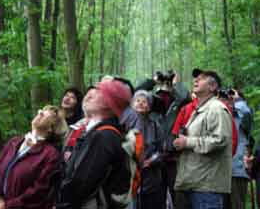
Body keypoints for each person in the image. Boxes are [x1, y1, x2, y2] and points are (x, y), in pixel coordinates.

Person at [56, 79, 133, 209]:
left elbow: (80, 185)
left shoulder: (104, 137)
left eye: (99, 91)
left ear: (110, 103)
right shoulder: (96, 133)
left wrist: (60, 204)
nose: (90, 94)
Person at [0, 105, 67, 209]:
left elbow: (39, 191)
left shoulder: (51, 155)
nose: (40, 113)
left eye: (46, 114)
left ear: (51, 128)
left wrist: (8, 206)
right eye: (41, 110)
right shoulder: (13, 142)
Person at [173, 69, 232, 209]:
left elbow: (220, 140)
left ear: (212, 87)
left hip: (208, 188)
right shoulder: (198, 110)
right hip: (194, 183)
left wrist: (187, 142)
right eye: (195, 78)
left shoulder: (217, 109)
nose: (196, 80)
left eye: (202, 78)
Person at [135, 70, 190, 206]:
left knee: (178, 198)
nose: (166, 85)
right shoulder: (151, 104)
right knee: (156, 200)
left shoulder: (177, 104)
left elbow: (186, 98)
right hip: (154, 163)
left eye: (168, 82)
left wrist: (176, 83)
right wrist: (153, 81)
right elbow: (136, 93)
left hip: (173, 159)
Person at [130, 90, 166, 209]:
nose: (140, 103)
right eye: (137, 101)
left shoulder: (155, 125)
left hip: (150, 177)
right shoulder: (125, 123)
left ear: (149, 106)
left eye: (144, 101)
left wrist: (151, 161)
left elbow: (162, 150)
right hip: (129, 176)